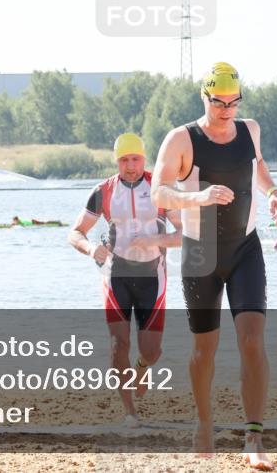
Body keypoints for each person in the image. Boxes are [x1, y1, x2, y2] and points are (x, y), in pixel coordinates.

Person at [150, 62, 277, 471]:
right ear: (203, 97)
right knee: (203, 349)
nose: (226, 110)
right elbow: (159, 192)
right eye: (218, 102)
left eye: (233, 102)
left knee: (252, 340)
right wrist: (200, 197)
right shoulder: (182, 139)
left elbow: (257, 166)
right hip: (199, 251)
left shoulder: (251, 130)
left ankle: (254, 435)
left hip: (245, 248)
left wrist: (275, 191)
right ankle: (204, 423)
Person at [67, 132, 182, 427]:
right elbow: (75, 233)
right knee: (119, 344)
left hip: (152, 277)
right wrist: (93, 248)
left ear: (144, 159)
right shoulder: (103, 191)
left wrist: (155, 239)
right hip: (115, 276)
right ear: (117, 161)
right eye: (124, 160)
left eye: (135, 159)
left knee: (151, 351)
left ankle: (142, 368)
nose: (130, 165)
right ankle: (130, 412)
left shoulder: (160, 189)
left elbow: (186, 234)